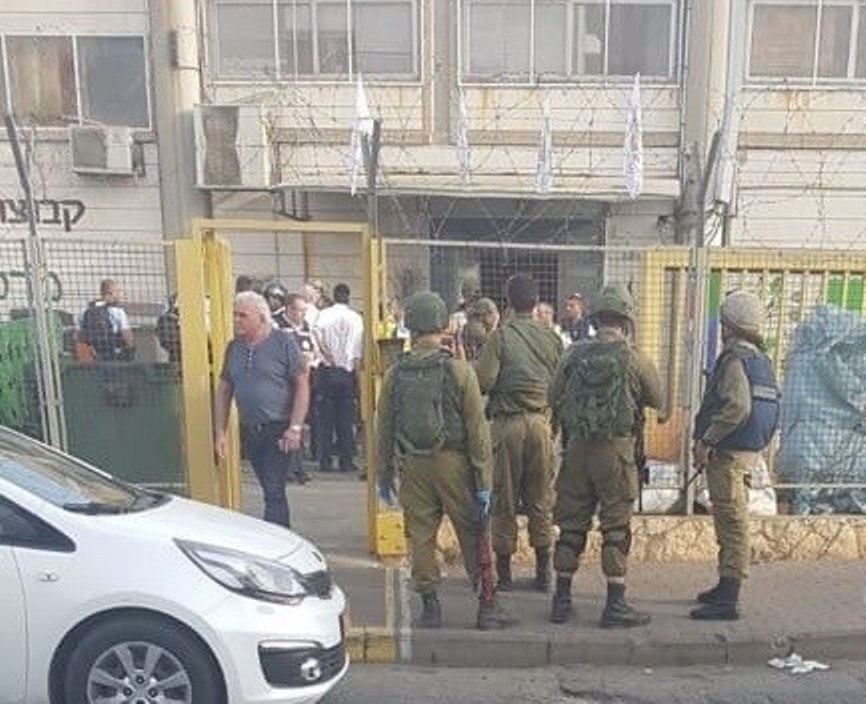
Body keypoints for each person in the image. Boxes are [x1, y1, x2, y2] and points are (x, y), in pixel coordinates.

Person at [376, 291, 511, 631]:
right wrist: (483, 481)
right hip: (455, 464)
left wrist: (383, 475)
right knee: (472, 533)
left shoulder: (395, 374)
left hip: (413, 465)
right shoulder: (459, 371)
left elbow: (384, 427)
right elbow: (477, 431)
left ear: (411, 326)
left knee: (421, 535)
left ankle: (430, 607)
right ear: (443, 324)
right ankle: (486, 606)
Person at [549, 284, 663, 628]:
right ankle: (614, 604)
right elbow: (660, 402)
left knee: (571, 525)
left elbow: (553, 396)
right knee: (615, 528)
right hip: (616, 452)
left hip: (576, 450)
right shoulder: (634, 358)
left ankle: (561, 601)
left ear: (596, 319)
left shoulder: (573, 355)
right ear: (626, 321)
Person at [690, 290, 779, 621]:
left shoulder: (733, 359)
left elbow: (737, 407)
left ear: (729, 326)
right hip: (746, 452)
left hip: (728, 454)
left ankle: (729, 597)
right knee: (731, 519)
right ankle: (724, 585)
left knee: (732, 523)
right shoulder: (760, 359)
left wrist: (707, 440)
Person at [475, 274, 563, 593]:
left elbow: (483, 381)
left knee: (505, 499)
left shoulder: (500, 337)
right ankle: (543, 572)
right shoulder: (552, 338)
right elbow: (560, 384)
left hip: (507, 426)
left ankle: (505, 574)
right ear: (536, 302)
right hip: (541, 425)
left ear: (508, 302)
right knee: (541, 498)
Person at [213, 292, 310, 528]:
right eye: (235, 315)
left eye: (243, 315)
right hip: (250, 428)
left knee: (274, 489)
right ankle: (280, 535)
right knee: (269, 487)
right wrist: (220, 432)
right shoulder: (234, 348)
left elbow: (302, 384)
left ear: (261, 317)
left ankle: (278, 538)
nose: (236, 320)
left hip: (278, 427)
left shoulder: (283, 343)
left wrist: (295, 427)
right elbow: (224, 389)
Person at [313, 282, 363, 473]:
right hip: (347, 372)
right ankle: (346, 460)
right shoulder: (356, 318)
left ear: (334, 296)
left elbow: (315, 335)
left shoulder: (324, 315)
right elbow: (357, 351)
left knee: (325, 420)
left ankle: (325, 460)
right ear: (348, 297)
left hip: (327, 370)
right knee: (345, 420)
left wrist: (325, 353)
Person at [284, 292, 320, 485]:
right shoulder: (277, 326)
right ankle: (288, 468)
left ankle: (297, 467)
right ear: (289, 309)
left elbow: (312, 348)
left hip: (303, 379)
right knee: (287, 424)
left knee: (297, 424)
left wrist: (312, 357)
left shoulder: (305, 326)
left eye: (305, 311)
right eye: (300, 310)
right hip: (285, 383)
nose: (303, 315)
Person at [78, 279, 135, 361]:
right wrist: (131, 348)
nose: (120, 294)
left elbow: (81, 335)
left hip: (95, 355)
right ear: (110, 293)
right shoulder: (118, 312)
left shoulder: (87, 311)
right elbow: (126, 334)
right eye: (118, 292)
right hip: (114, 353)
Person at [460, 297, 500, 362]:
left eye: (484, 315)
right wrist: (494, 326)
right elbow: (486, 340)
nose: (480, 318)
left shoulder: (498, 331)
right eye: (477, 315)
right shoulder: (473, 326)